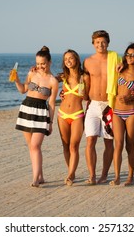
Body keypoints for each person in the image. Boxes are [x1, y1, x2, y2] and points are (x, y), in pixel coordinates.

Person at [12, 46, 59, 187]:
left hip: (40, 112)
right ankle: (41, 176)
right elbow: (22, 90)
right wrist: (16, 79)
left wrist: (50, 122)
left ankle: (35, 179)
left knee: (35, 146)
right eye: (38, 63)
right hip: (26, 109)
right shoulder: (32, 74)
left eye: (43, 63)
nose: (40, 66)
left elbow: (51, 103)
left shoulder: (53, 81)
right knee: (31, 147)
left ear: (49, 62)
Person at [83, 30, 122, 185]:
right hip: (92, 104)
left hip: (109, 105)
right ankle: (92, 175)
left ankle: (104, 174)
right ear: (93, 44)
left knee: (108, 141)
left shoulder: (116, 59)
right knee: (90, 139)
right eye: (97, 42)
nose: (100, 44)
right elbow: (79, 79)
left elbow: (129, 72)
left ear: (108, 43)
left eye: (103, 41)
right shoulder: (87, 61)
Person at [110, 41, 134, 186]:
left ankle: (131, 177)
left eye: (133, 55)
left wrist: (130, 97)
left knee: (129, 146)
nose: (130, 57)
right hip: (117, 112)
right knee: (118, 144)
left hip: (132, 112)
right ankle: (117, 176)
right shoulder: (120, 68)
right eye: (128, 54)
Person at [56, 49, 87, 186]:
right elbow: (46, 78)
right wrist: (35, 70)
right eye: (66, 59)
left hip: (77, 115)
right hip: (62, 114)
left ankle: (70, 175)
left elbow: (88, 97)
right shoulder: (63, 76)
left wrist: (84, 92)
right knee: (66, 145)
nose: (68, 61)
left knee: (74, 146)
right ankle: (71, 172)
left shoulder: (84, 77)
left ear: (77, 60)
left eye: (71, 58)